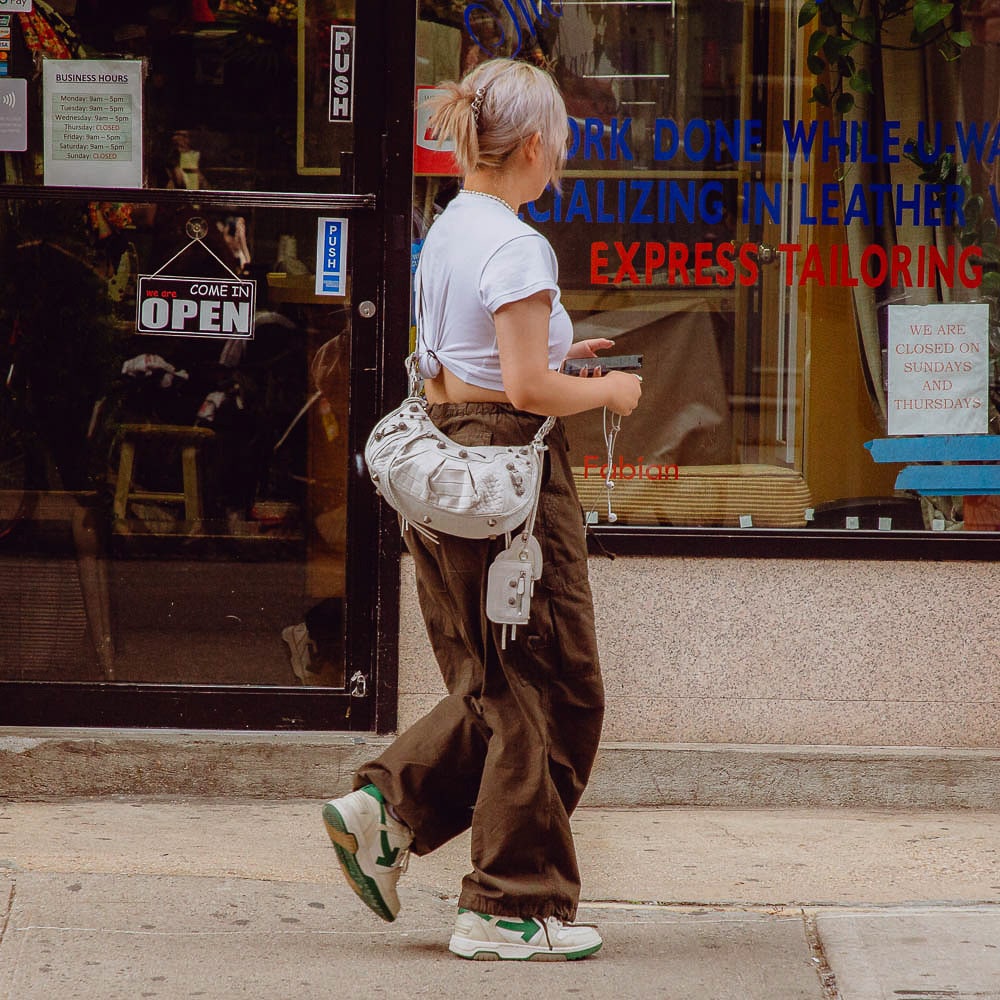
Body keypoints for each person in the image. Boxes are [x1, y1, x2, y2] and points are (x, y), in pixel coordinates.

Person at [321, 57, 642, 962]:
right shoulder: (516, 242)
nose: (565, 159)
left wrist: (564, 360)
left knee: (498, 680)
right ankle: (508, 904)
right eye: (564, 144)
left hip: (452, 459)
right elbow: (530, 387)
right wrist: (609, 390)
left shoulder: (453, 225)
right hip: (507, 475)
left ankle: (389, 809)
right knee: (550, 689)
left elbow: (469, 360)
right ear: (534, 143)